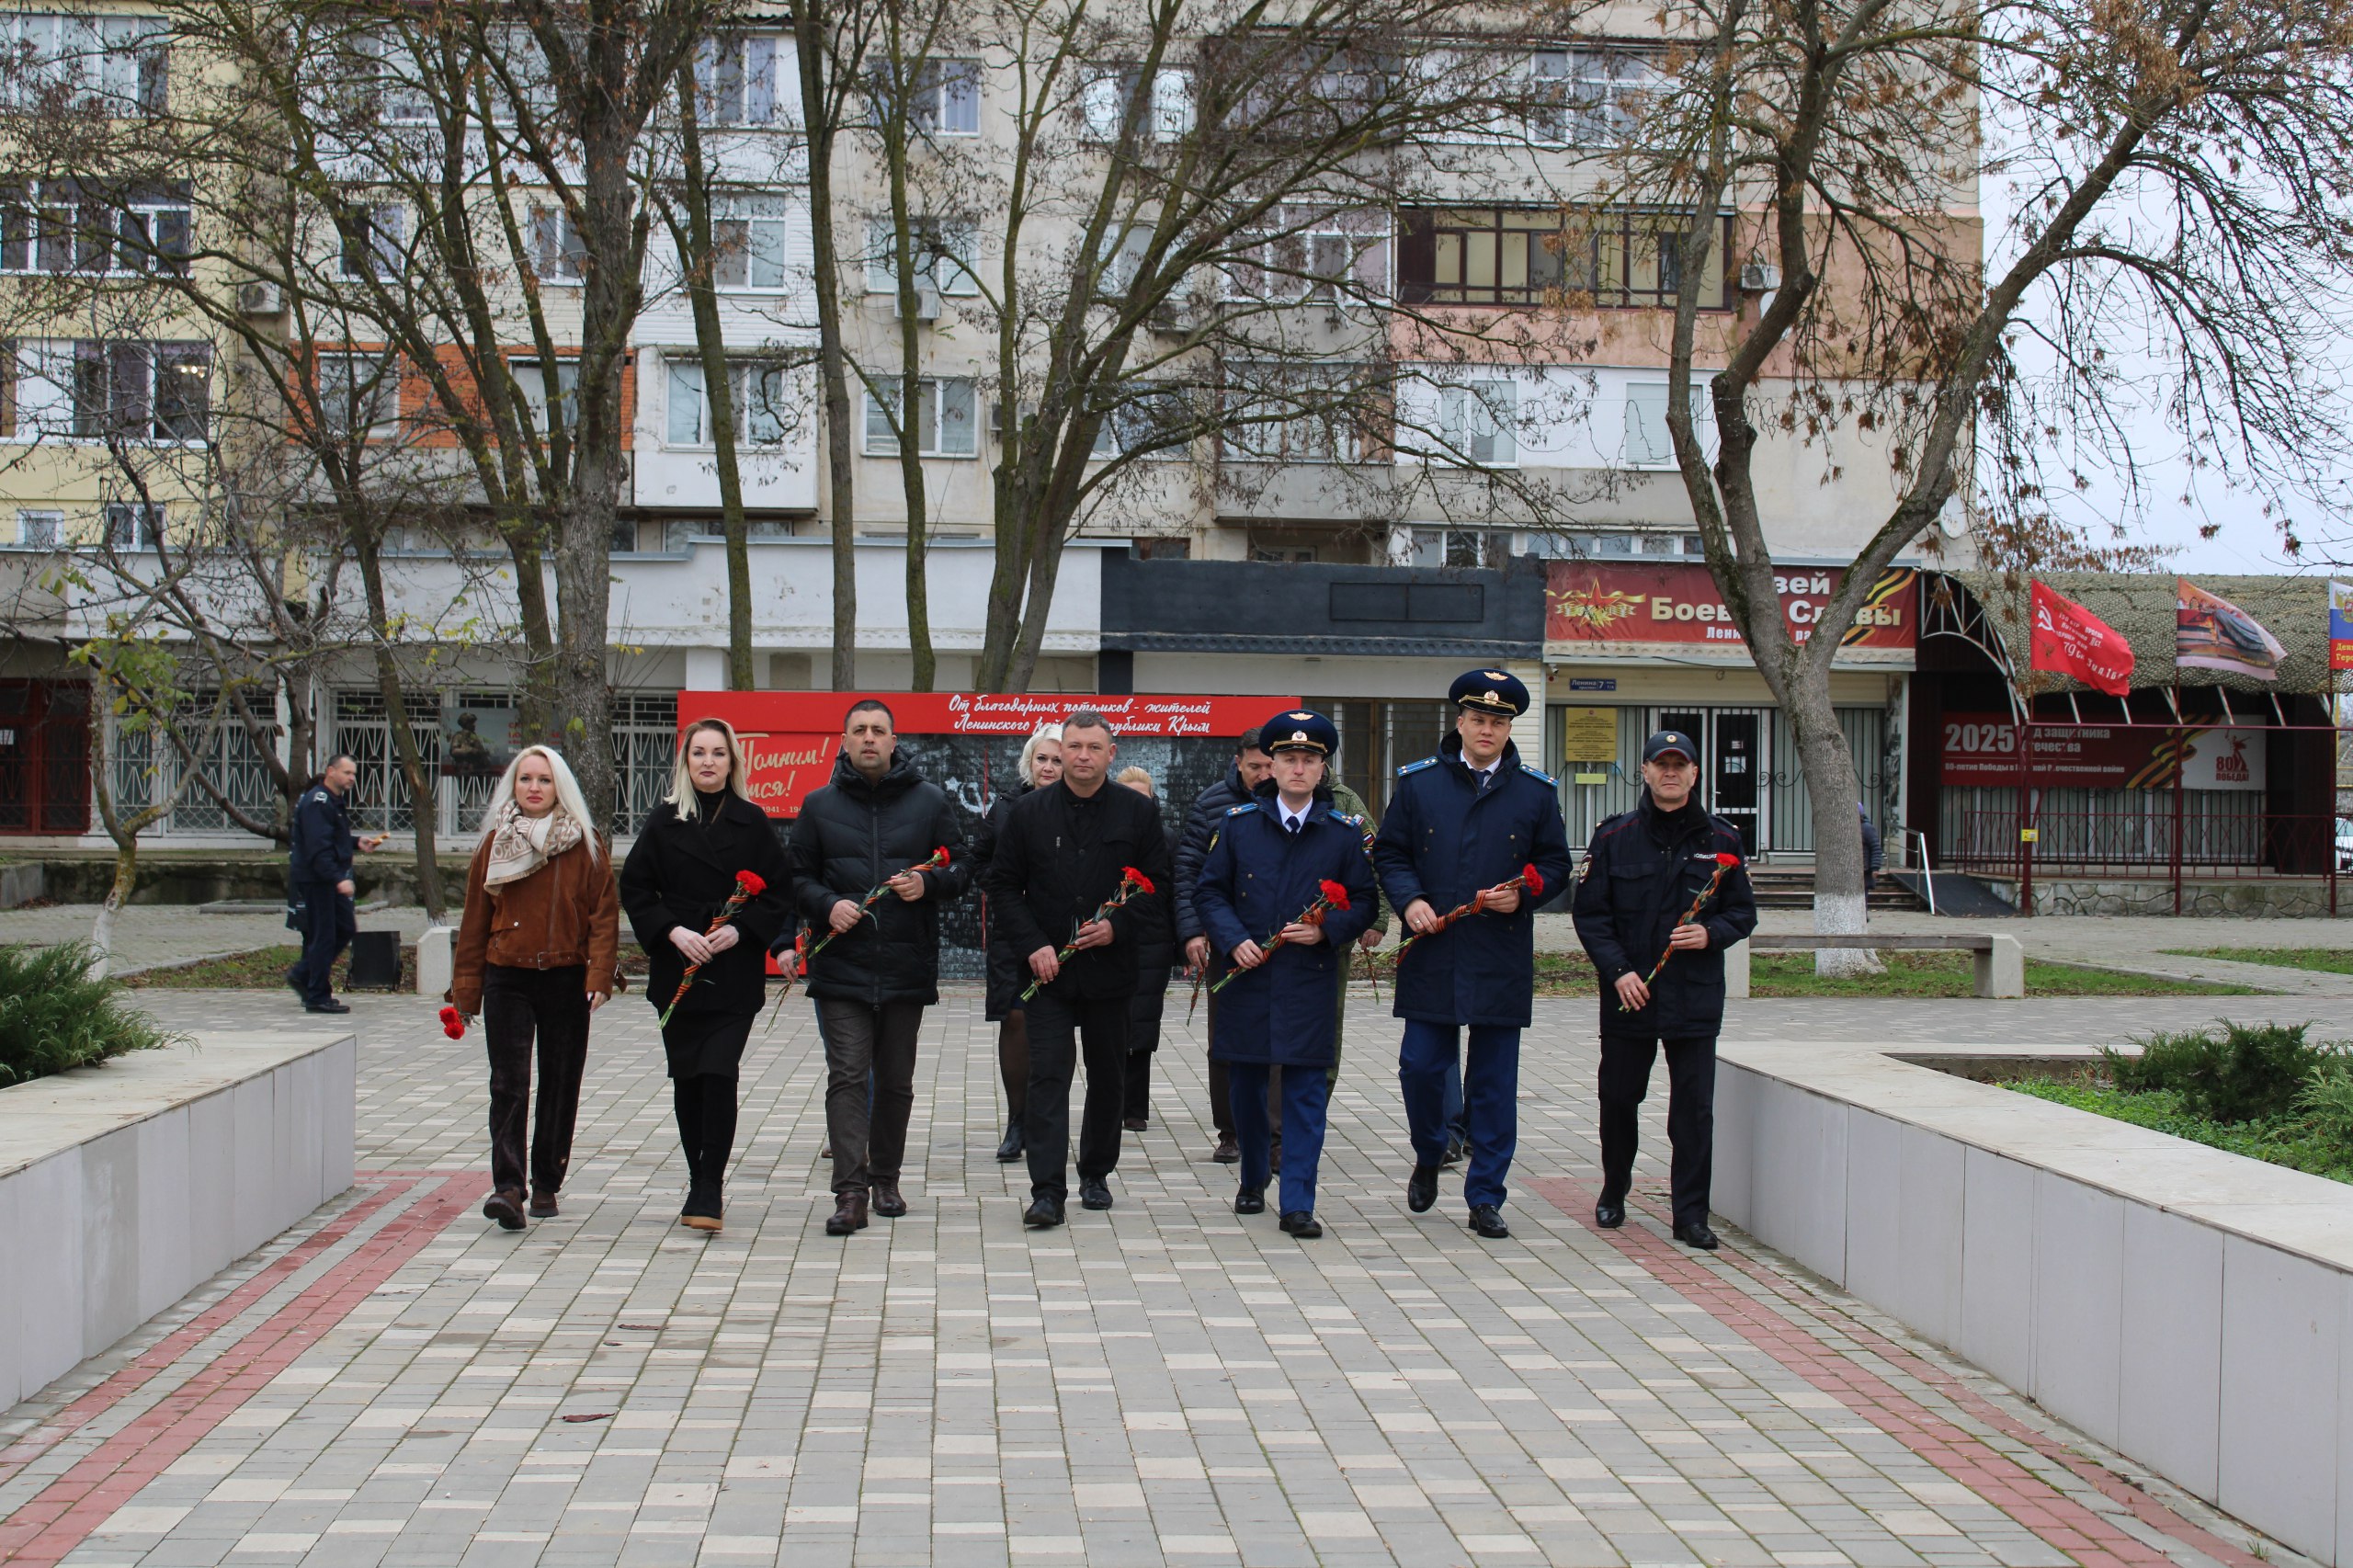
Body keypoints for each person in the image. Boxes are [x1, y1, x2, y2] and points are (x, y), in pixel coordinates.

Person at [1372, 669, 1574, 1240]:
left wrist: (1527, 894)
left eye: (1499, 721)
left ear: (1511, 727)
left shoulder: (1535, 792)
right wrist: (1409, 901)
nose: (1488, 729)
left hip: (1497, 953)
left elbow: (1556, 864)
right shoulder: (1418, 785)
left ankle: (1486, 1194)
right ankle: (1430, 1148)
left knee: (1492, 1083)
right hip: (1433, 947)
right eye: (1479, 719)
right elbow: (1391, 854)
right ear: (1459, 721)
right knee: (1420, 1066)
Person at [982, 710, 1174, 1229]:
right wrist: (1033, 946)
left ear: (1112, 755)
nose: (1083, 755)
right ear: (1059, 751)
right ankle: (1047, 1190)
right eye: (1073, 746)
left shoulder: (1137, 813)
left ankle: (1095, 1173)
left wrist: (1119, 927)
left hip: (1112, 972)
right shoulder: (1028, 813)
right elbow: (1002, 887)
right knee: (1048, 1077)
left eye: (1094, 747)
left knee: (1108, 1077)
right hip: (1047, 974)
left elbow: (1159, 889)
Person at [1571, 729, 1758, 1251]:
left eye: (1681, 765)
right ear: (1646, 772)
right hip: (1630, 995)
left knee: (1693, 1111)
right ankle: (1614, 1188)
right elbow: (1590, 915)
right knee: (1618, 1099)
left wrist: (1711, 933)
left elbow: (1743, 912)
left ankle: (1690, 1214)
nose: (1671, 773)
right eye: (1661, 764)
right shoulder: (1614, 837)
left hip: (1693, 997)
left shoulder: (1722, 841)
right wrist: (1619, 972)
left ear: (1695, 774)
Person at [789, 699, 971, 1236]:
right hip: (841, 967)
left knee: (895, 1081)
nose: (869, 738)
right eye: (859, 730)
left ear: (894, 741)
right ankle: (850, 1192)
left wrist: (929, 884)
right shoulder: (818, 805)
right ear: (843, 741)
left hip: (904, 964)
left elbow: (962, 867)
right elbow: (795, 878)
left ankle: (886, 1177)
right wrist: (826, 905)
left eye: (879, 730)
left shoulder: (930, 801)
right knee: (847, 1077)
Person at [1195, 710, 1376, 1238]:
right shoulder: (1238, 826)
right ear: (1269, 766)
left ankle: (1298, 1200)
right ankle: (1253, 1178)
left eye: (1310, 760)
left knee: (1303, 1091)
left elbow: (1364, 900)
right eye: (1289, 759)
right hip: (1249, 976)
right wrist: (1233, 939)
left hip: (1308, 977)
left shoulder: (1342, 834)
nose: (1299, 769)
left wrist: (1327, 932)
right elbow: (1210, 891)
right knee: (1247, 1088)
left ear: (1323, 769)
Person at [619, 717, 792, 1233]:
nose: (709, 762)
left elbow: (781, 893)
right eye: (699, 753)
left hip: (732, 972)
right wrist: (672, 931)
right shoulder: (664, 820)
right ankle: (697, 1174)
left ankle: (709, 1184)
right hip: (678, 970)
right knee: (687, 1078)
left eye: (719, 753)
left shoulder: (752, 820)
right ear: (686, 761)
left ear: (733, 761)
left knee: (719, 1072)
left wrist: (742, 931)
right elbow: (635, 889)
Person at [449, 745, 619, 1232]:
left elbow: (603, 916)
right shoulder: (492, 844)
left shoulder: (585, 843)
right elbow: (475, 922)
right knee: (508, 1085)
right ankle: (508, 1188)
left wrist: (599, 975)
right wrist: (466, 990)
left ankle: (547, 1183)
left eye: (544, 780)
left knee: (561, 1084)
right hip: (507, 975)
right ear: (513, 785)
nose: (534, 788)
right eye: (526, 779)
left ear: (558, 786)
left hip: (566, 977)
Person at [1174, 727, 1275, 1163]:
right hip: (1225, 940)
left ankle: (1274, 1135)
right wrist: (1193, 931)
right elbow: (1188, 871)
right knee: (1227, 1040)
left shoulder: (1300, 802)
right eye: (1256, 766)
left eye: (1272, 765)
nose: (1265, 774)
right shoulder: (1212, 803)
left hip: (1283, 941)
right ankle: (1230, 1131)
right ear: (1238, 762)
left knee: (1280, 1040)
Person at [974, 725, 1063, 1163]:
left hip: (1064, 935)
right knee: (1015, 1019)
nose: (1048, 767)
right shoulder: (1006, 808)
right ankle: (1018, 1119)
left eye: (1057, 759)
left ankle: (1050, 1120)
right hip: (1014, 933)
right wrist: (1008, 890)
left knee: (1055, 1026)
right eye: (1041, 759)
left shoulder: (1082, 806)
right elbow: (979, 860)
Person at [286, 754, 386, 1015]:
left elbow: (332, 836)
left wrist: (356, 842)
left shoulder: (331, 800)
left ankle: (304, 975)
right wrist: (337, 879)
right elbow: (318, 848)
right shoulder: (318, 802)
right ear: (331, 771)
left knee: (343, 929)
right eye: (347, 773)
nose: (352, 778)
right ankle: (316, 993)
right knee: (325, 936)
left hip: (327, 877)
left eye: (354, 773)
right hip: (319, 879)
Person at [1113, 767, 1179, 1132]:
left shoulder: (1167, 838)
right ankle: (1109, 1100)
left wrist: (1183, 945)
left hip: (1153, 942)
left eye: (1146, 798)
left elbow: (1175, 892)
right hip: (1110, 939)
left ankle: (1135, 1107)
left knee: (1142, 1025)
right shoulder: (1105, 834)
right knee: (1110, 1023)